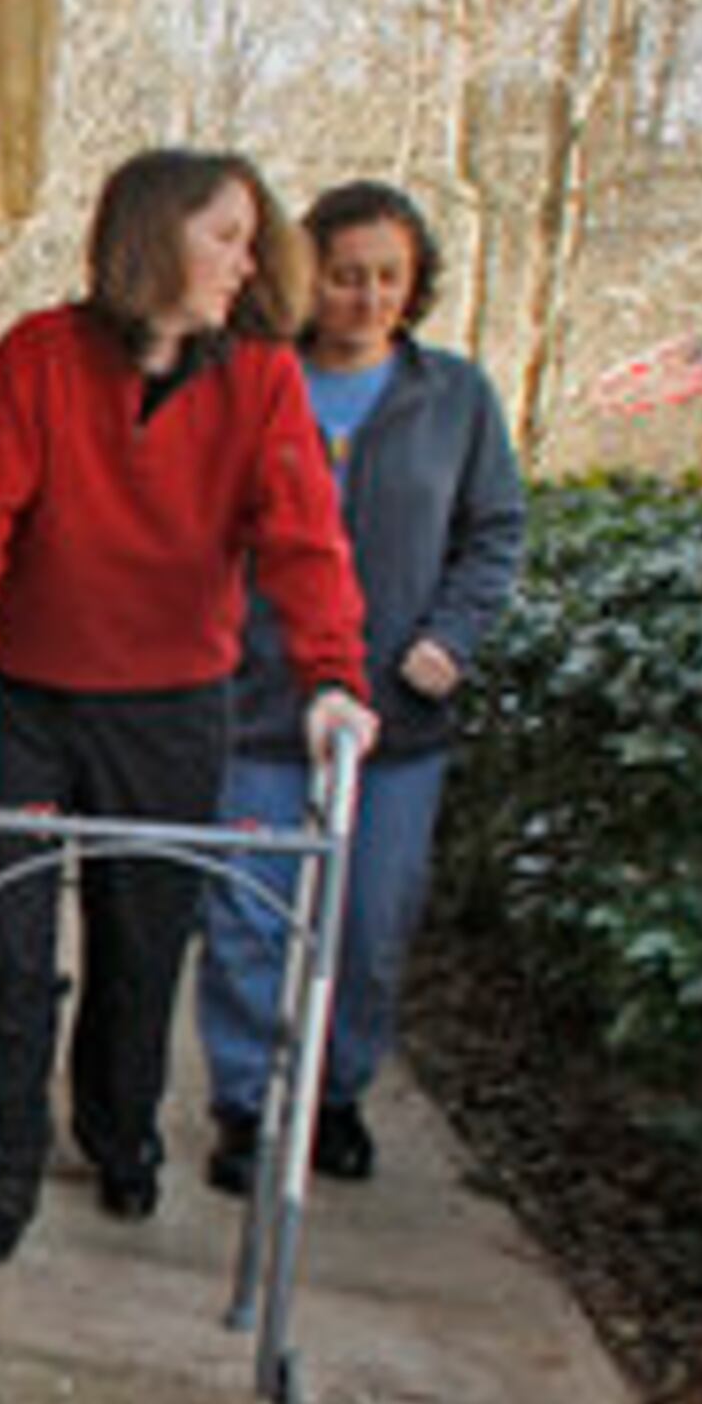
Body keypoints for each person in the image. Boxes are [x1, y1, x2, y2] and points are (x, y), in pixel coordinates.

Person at [0, 149, 378, 1266]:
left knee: (141, 942)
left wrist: (332, 681)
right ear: (155, 234)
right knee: (8, 949)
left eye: (251, 243)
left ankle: (119, 1131)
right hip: (26, 701)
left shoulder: (261, 379)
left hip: (170, 709)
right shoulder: (40, 356)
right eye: (225, 237)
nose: (245, 263)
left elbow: (304, 540)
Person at [198, 180, 526, 1196]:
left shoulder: (455, 398)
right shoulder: (257, 380)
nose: (367, 297)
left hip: (396, 714)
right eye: (345, 276)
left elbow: (494, 534)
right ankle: (247, 1106)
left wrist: (450, 638)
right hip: (257, 701)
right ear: (308, 277)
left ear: (414, 283)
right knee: (249, 915)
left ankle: (333, 1095)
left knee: (372, 925)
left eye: (389, 277)